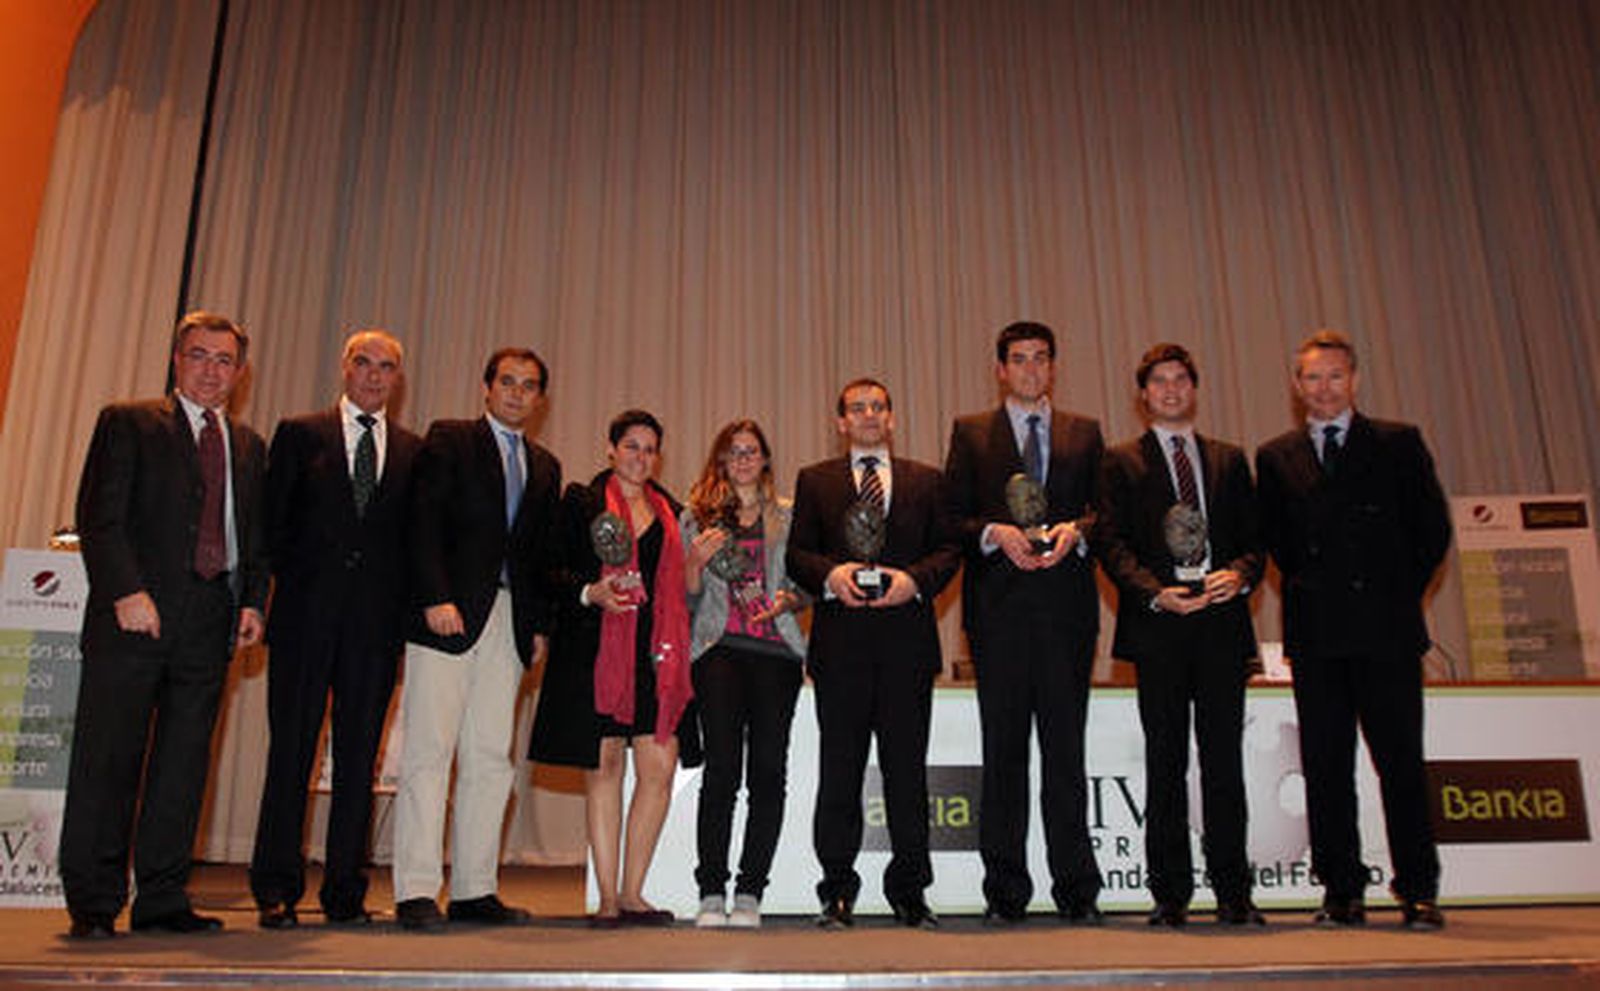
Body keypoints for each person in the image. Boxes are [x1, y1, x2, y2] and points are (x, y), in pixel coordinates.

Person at [60, 311, 267, 938]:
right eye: (199, 356)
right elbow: (100, 517)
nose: (211, 369)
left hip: (211, 620)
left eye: (224, 360)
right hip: (135, 617)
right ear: (177, 361)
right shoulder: (128, 422)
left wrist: (253, 601)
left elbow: (253, 538)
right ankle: (94, 903)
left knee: (183, 766)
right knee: (110, 760)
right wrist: (126, 591)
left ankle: (161, 898)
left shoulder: (249, 446)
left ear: (239, 372)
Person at [1255, 329, 1452, 930]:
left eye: (1334, 376)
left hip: (1388, 633)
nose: (1323, 388)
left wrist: (1392, 593)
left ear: (1355, 380)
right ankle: (1342, 892)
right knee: (1326, 766)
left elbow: (1431, 532)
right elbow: (1280, 546)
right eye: (1312, 378)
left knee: (1400, 764)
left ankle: (1419, 890)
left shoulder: (1397, 442)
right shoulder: (1275, 455)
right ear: (1296, 386)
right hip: (1317, 634)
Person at [250, 330, 421, 928]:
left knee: (358, 763)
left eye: (388, 367)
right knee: (291, 754)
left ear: (399, 378)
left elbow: (411, 547)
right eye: (364, 363)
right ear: (345, 368)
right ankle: (275, 888)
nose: (375, 376)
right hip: (303, 622)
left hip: (374, 632)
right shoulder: (300, 433)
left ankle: (346, 891)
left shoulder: (412, 450)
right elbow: (270, 528)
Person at [391, 348, 561, 931]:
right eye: (507, 382)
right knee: (429, 752)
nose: (517, 393)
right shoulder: (451, 439)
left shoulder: (544, 466)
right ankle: (415, 889)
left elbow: (537, 557)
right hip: (448, 615)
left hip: (510, 623)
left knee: (491, 758)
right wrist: (434, 596)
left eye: (529, 386)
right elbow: (423, 522)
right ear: (486, 388)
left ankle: (473, 889)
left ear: (540, 400)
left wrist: (539, 626)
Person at [1095, 343, 1265, 928]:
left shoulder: (1229, 459)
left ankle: (1234, 892)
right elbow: (1111, 545)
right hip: (1158, 628)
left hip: (1221, 628)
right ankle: (1169, 894)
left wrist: (1239, 574)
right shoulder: (1119, 462)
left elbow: (1255, 541)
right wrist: (1152, 592)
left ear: (1194, 387)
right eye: (1159, 382)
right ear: (1143, 396)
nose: (1170, 389)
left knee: (1224, 765)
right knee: (1165, 764)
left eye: (1180, 380)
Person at [941, 321, 1104, 924]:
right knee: (1003, 755)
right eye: (1019, 359)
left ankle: (1076, 892)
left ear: (1053, 368)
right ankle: (1005, 893)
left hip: (1067, 617)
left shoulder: (1083, 433)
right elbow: (949, 517)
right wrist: (991, 532)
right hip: (999, 616)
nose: (1031, 369)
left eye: (1041, 359)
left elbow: (1104, 514)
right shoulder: (971, 433)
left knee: (1066, 757)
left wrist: (1077, 532)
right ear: (1001, 369)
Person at [787, 379, 960, 929]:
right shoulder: (815, 481)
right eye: (856, 408)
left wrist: (914, 581)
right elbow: (797, 553)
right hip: (840, 649)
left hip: (907, 647)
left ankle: (910, 891)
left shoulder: (928, 481)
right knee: (839, 773)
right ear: (840, 422)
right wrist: (830, 574)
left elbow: (951, 549)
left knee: (906, 774)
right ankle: (836, 889)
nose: (867, 415)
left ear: (891, 418)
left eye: (877, 407)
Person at [530, 409, 697, 928]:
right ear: (610, 449)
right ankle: (604, 897)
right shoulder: (581, 501)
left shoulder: (672, 509)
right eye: (631, 446)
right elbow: (548, 569)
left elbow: (683, 589)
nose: (640, 457)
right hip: (594, 653)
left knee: (658, 770)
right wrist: (589, 592)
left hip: (656, 657)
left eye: (649, 449)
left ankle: (632, 892)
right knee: (602, 769)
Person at [681, 420, 808, 929]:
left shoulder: (791, 516)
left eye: (752, 451)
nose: (743, 460)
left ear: (766, 459)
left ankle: (751, 890)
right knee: (722, 770)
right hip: (719, 651)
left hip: (777, 653)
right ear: (720, 460)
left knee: (768, 774)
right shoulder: (695, 518)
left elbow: (806, 585)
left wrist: (788, 599)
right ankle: (711, 890)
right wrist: (693, 561)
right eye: (733, 452)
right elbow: (686, 597)